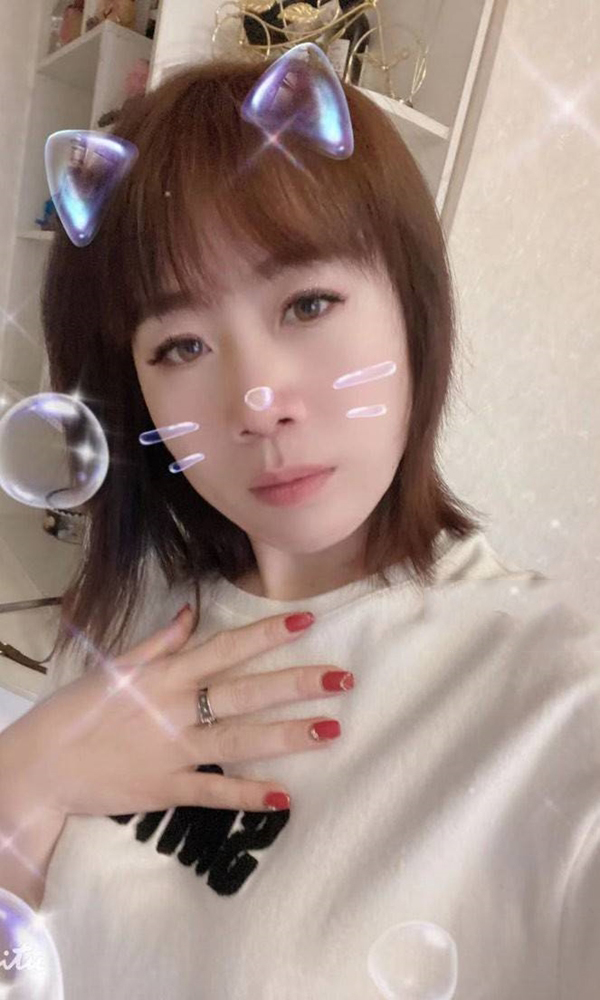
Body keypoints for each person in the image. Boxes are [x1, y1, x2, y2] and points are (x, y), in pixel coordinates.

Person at [1, 53, 599, 1000]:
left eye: (308, 303)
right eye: (181, 344)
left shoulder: (553, 705)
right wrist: (25, 779)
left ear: (413, 309)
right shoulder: (127, 615)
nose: (257, 400)